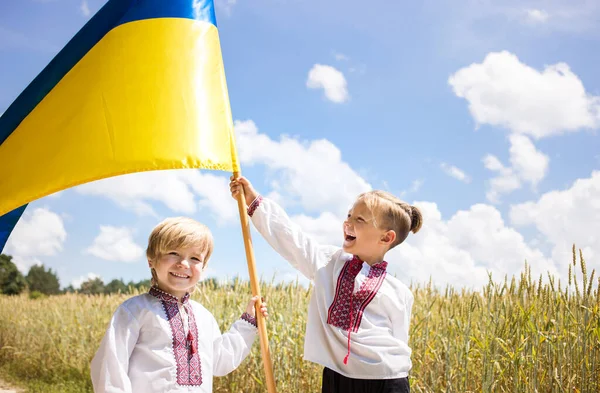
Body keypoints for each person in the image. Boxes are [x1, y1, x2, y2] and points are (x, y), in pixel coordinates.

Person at [230, 176, 422, 393]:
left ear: (386, 238)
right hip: (337, 375)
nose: (348, 223)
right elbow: (293, 240)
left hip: (387, 379)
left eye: (360, 220)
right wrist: (253, 200)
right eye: (349, 215)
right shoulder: (329, 262)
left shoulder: (399, 292)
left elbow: (399, 341)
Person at [91, 216, 268, 393]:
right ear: (151, 259)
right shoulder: (134, 311)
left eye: (195, 258)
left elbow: (221, 361)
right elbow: (111, 368)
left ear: (204, 267)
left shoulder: (203, 316)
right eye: (173, 253)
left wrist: (249, 322)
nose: (183, 264)